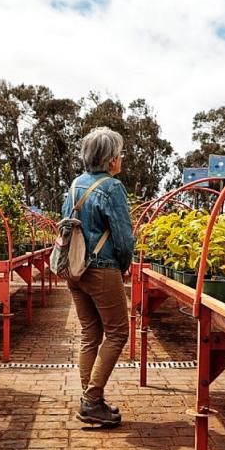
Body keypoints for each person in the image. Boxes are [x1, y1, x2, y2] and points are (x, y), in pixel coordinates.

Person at [62, 126, 134, 427]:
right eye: (119, 154)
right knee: (118, 333)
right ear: (110, 159)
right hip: (102, 270)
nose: (121, 159)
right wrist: (124, 265)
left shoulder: (75, 184)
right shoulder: (112, 187)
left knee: (91, 334)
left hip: (74, 269)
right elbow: (123, 237)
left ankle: (90, 400)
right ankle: (92, 401)